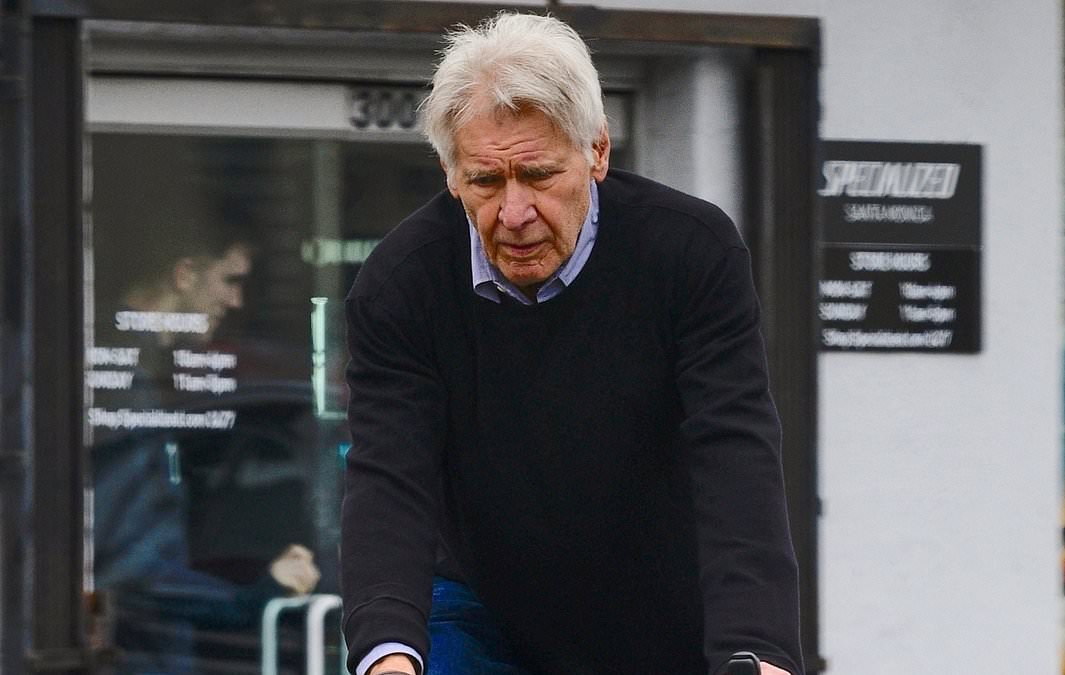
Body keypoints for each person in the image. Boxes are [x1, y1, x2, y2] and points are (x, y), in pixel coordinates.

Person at [340, 12, 803, 675]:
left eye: (539, 174)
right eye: (486, 181)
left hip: (658, 599)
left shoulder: (690, 253)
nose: (515, 212)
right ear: (450, 174)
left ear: (597, 153)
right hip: (481, 598)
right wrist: (386, 652)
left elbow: (735, 458)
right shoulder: (400, 284)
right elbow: (390, 481)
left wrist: (760, 649)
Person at [91, 227, 320, 674]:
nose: (235, 302)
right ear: (185, 275)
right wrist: (258, 595)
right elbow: (134, 569)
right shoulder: (120, 383)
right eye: (229, 280)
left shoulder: (121, 366)